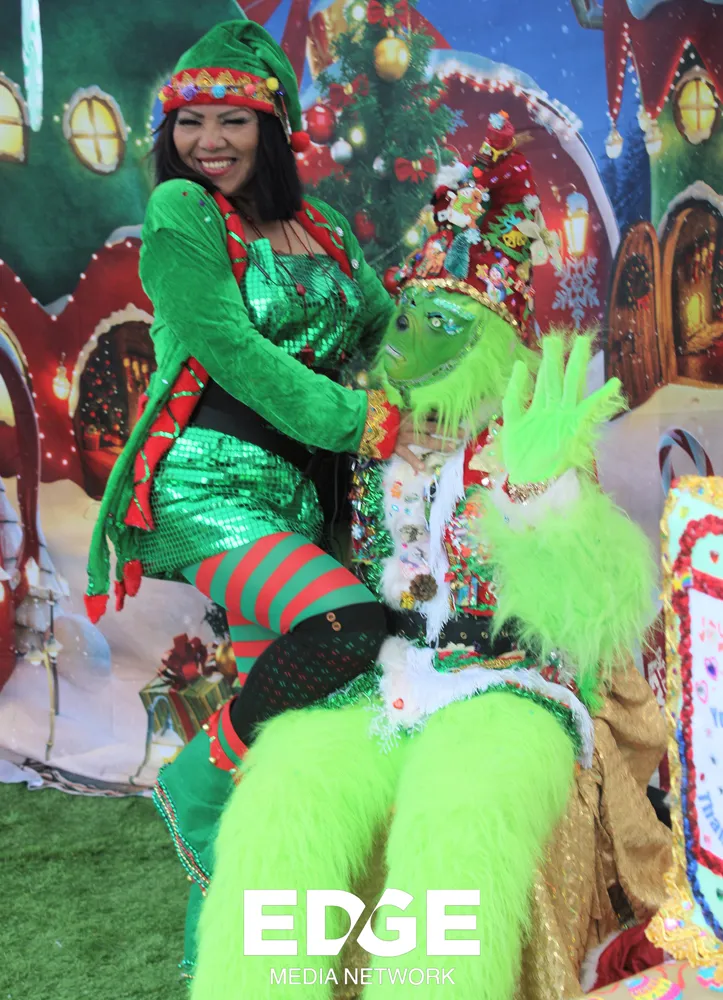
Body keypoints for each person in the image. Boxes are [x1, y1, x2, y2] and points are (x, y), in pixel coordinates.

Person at [187, 115, 671, 1000]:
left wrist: (545, 504)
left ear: (487, 341)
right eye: (405, 317)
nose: (408, 341)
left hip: (505, 682)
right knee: (284, 789)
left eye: (440, 323)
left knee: (460, 813)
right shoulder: (369, 439)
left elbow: (591, 606)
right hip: (383, 675)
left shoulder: (526, 440)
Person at [84, 16, 458, 975]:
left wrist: (458, 358)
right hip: (206, 478)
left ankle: (238, 965)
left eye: (232, 120)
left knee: (293, 738)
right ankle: (195, 779)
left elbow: (381, 329)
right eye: (190, 121)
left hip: (296, 496)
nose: (207, 141)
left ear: (273, 128)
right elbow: (231, 351)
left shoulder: (320, 227)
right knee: (344, 621)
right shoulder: (181, 213)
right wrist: (365, 423)